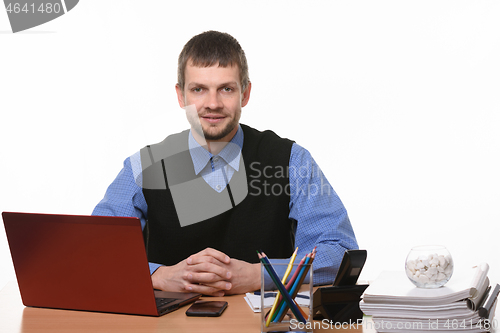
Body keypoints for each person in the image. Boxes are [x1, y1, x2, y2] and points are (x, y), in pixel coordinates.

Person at [92, 30, 358, 296]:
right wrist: (160, 275)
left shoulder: (291, 160)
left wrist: (259, 275)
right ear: (181, 96)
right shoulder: (144, 166)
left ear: (245, 93)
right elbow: (96, 249)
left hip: (263, 324)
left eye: (226, 89)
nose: (212, 104)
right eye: (198, 90)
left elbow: (339, 252)